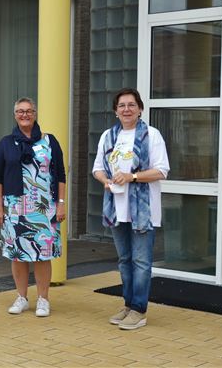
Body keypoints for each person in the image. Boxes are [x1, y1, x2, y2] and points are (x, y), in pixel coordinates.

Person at [92, 88, 169, 330]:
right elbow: (97, 168)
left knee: (141, 261)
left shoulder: (151, 135)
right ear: (116, 111)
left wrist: (132, 176)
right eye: (122, 106)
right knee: (125, 260)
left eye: (131, 105)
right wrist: (105, 181)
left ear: (140, 109)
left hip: (143, 211)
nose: (126, 109)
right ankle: (128, 305)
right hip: (116, 208)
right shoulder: (108, 136)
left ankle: (139, 310)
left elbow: (161, 171)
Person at [0, 97, 66, 318]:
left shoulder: (49, 141)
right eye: (20, 111)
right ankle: (22, 297)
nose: (25, 115)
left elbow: (60, 174)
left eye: (29, 111)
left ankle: (43, 299)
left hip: (44, 207)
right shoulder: (6, 143)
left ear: (35, 114)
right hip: (15, 208)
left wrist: (61, 204)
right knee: (18, 253)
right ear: (15, 115)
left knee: (43, 254)